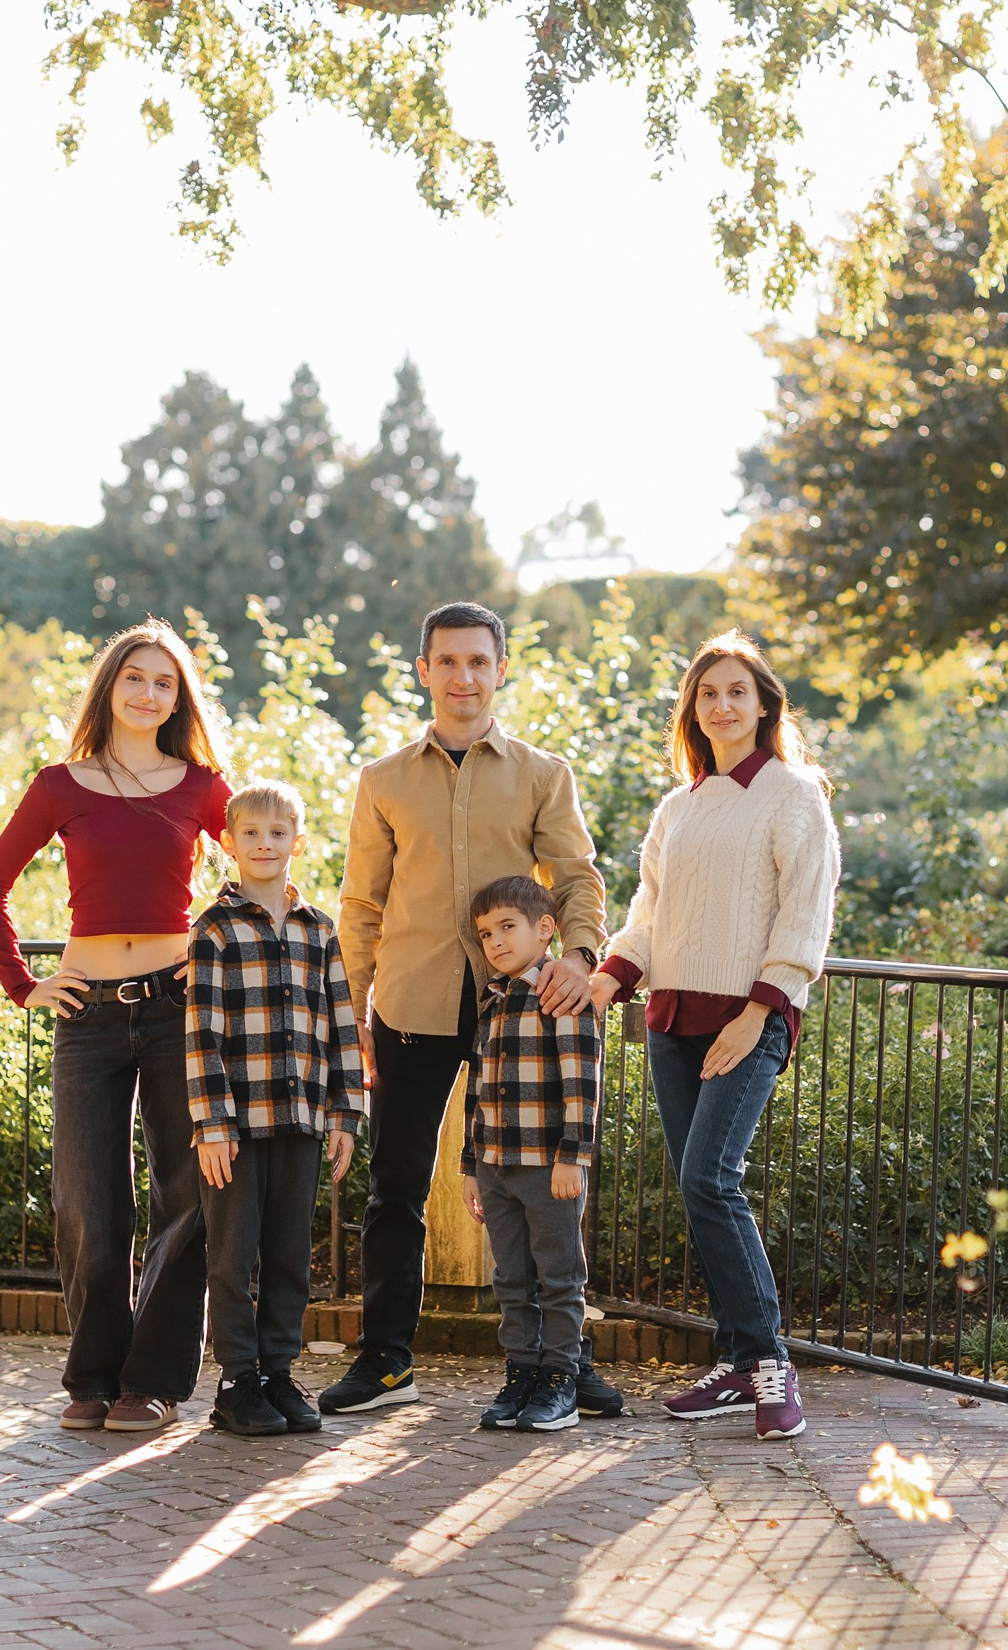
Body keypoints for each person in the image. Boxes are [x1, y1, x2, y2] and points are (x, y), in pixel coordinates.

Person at [320, 600, 626, 1418]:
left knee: (548, 1187)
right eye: (448, 661)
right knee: (395, 1187)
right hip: (411, 1005)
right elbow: (362, 905)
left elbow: (577, 876)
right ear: (424, 671)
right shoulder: (383, 780)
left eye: (478, 661)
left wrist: (579, 957)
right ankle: (386, 1360)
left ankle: (565, 1362)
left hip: (522, 1012)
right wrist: (351, 1011)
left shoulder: (542, 773)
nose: (464, 676)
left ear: (500, 669)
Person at [0, 620, 232, 1435]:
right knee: (88, 1199)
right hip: (86, 1013)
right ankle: (91, 1376)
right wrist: (24, 984)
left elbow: (267, 870)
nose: (149, 693)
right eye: (135, 678)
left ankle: (151, 1382)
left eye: (165, 682)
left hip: (176, 1011)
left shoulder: (202, 786)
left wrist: (212, 949)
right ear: (110, 687)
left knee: (184, 1196)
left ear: (179, 699)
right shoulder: (61, 785)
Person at [591, 631, 840, 1441]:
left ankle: (770, 1363)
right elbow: (649, 914)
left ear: (765, 705)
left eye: (737, 691)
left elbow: (806, 911)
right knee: (698, 1187)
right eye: (708, 693)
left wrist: (758, 1010)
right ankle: (737, 1363)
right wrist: (609, 976)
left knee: (711, 1179)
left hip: (748, 1018)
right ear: (692, 711)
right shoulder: (679, 807)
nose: (722, 704)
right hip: (673, 1020)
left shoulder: (794, 794)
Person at [185, 780, 363, 1437]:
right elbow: (201, 1033)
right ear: (228, 843)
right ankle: (237, 1380)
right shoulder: (215, 929)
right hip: (234, 1128)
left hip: (303, 1120)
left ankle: (278, 1372)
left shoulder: (320, 929)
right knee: (233, 1258)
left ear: (298, 842)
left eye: (277, 833)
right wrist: (211, 1123)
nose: (265, 844)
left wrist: (345, 1113)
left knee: (290, 1254)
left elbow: (342, 1025)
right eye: (251, 834)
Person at [459, 875, 603, 1434]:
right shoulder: (492, 1001)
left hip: (549, 1166)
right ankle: (521, 1374)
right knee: (511, 1279)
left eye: (507, 927)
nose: (495, 941)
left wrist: (574, 1156)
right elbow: (476, 1091)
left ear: (545, 929)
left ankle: (561, 1380)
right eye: (485, 933)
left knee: (559, 1278)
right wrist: (471, 1167)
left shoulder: (562, 993)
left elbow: (582, 1083)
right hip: (495, 1166)